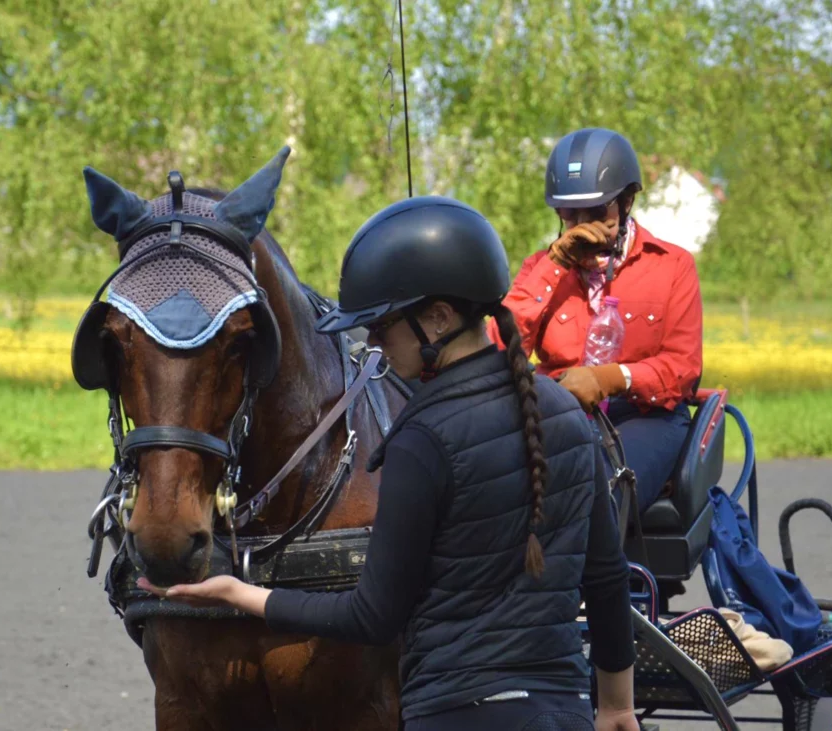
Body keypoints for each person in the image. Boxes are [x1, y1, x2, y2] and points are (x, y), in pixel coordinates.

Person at [141, 196, 638, 731]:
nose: (372, 344)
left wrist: (243, 594)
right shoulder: (565, 413)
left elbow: (373, 617)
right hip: (562, 712)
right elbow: (607, 579)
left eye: (381, 325)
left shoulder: (421, 439)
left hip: (453, 717)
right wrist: (616, 706)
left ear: (439, 318)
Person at [489, 128, 703, 515]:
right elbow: (497, 348)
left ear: (627, 201)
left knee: (598, 491)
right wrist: (555, 264)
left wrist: (609, 378)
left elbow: (683, 367)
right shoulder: (538, 269)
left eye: (596, 211)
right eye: (569, 214)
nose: (582, 224)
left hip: (644, 416)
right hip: (557, 413)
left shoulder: (672, 266)